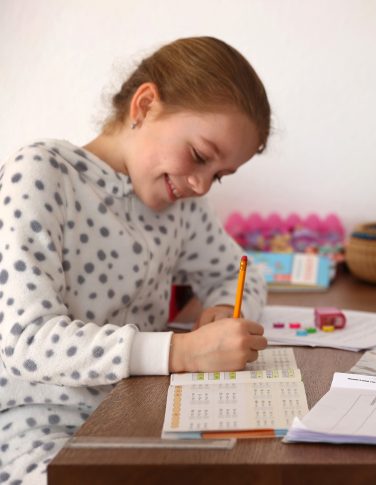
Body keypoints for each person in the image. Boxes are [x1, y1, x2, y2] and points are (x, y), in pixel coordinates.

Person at [0, 36, 270, 483]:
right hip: (37, 431)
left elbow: (239, 271)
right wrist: (180, 351)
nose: (202, 185)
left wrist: (226, 307)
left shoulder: (183, 209)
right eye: (200, 157)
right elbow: (23, 341)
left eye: (218, 176)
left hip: (142, 418)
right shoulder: (41, 175)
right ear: (144, 106)